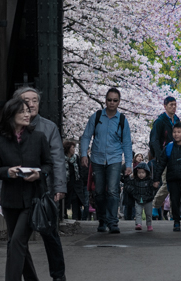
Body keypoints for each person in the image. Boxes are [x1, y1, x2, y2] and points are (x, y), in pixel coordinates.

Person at [0, 95, 66, 281]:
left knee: (16, 241)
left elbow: (49, 164)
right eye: (22, 111)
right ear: (11, 115)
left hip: (33, 198)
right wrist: (8, 172)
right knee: (15, 242)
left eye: (28, 110)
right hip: (10, 200)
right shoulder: (0, 141)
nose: (27, 114)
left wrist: (39, 174)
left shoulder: (38, 137)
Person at [78, 87, 133, 234]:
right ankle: (102, 220)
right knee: (99, 191)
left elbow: (127, 143)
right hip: (97, 159)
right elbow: (86, 136)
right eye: (109, 100)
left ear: (119, 102)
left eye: (115, 100)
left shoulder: (122, 120)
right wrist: (84, 154)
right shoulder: (96, 117)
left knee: (113, 191)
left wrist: (129, 164)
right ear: (105, 100)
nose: (112, 103)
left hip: (114, 159)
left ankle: (113, 222)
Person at [154, 122, 181, 231]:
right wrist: (156, 179)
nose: (176, 134)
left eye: (179, 132)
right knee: (174, 200)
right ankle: (176, 221)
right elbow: (161, 164)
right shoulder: (169, 148)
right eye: (174, 132)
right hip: (172, 180)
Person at [148, 96, 181, 222]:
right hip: (165, 156)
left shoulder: (177, 120)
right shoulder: (160, 121)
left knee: (176, 184)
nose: (173, 107)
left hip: (177, 156)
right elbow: (154, 140)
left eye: (175, 104)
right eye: (171, 105)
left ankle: (175, 213)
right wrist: (159, 156)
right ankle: (155, 205)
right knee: (168, 184)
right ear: (165, 106)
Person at [123, 161, 156, 231]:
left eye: (143, 173)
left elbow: (153, 188)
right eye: (139, 173)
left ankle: (149, 225)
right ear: (136, 173)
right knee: (138, 212)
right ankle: (138, 224)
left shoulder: (150, 181)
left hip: (148, 199)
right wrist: (126, 177)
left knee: (149, 213)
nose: (141, 174)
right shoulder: (134, 181)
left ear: (146, 173)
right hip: (138, 199)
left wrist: (153, 189)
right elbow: (128, 185)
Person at [63, 141, 86, 220]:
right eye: (72, 147)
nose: (74, 149)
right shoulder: (63, 159)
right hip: (67, 185)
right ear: (68, 148)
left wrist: (80, 182)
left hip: (76, 184)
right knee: (65, 202)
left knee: (76, 202)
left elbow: (80, 171)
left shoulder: (76, 158)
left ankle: (76, 218)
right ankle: (64, 216)